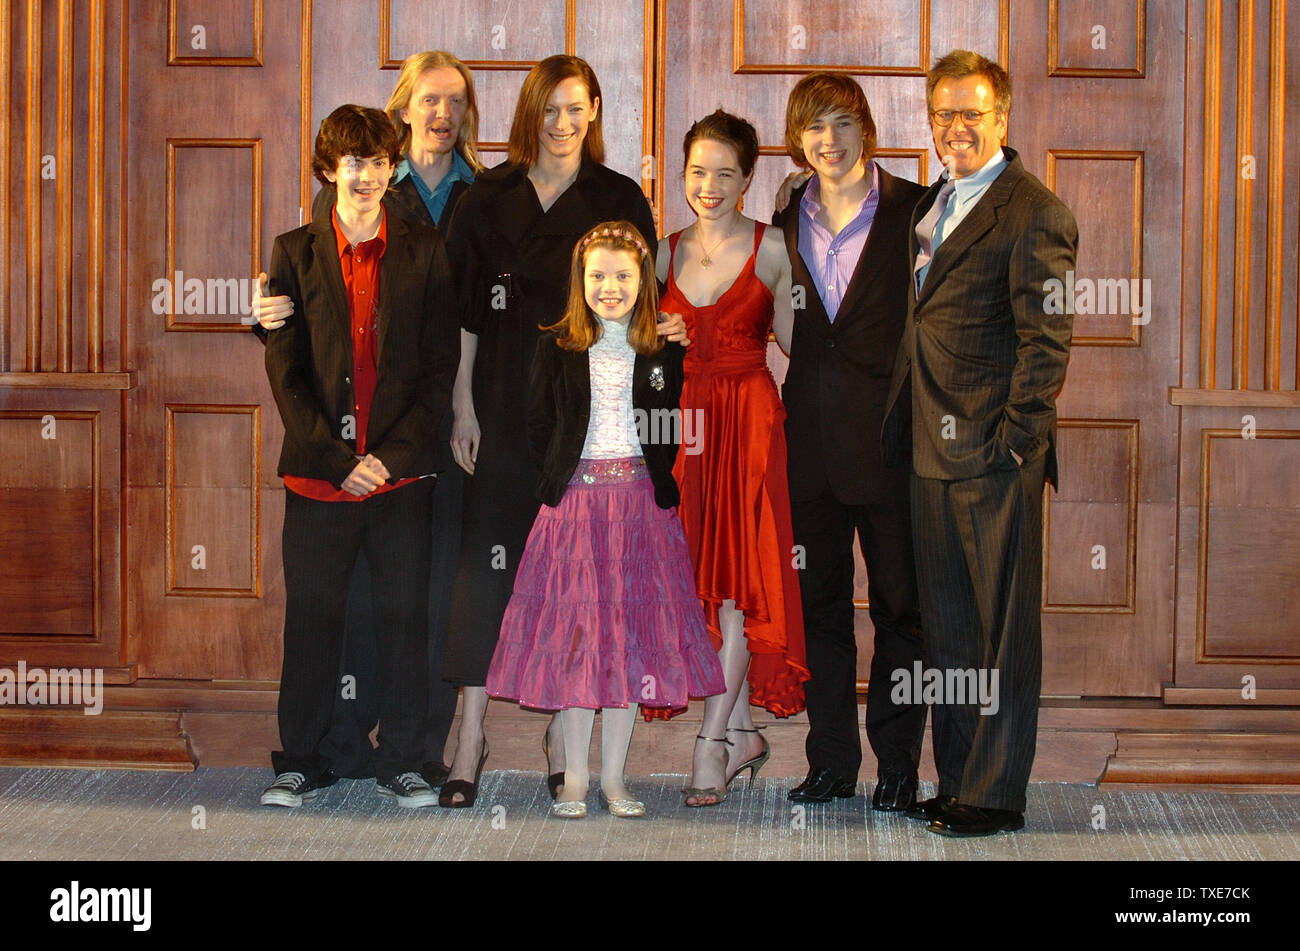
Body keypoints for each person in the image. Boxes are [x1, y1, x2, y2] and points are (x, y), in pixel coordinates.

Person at [252, 51, 483, 788]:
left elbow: (438, 366)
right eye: (351, 162)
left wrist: (389, 455)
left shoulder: (424, 253)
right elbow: (286, 374)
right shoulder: (293, 252)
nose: (364, 175)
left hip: (400, 474)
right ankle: (305, 760)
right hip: (318, 479)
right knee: (315, 625)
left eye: (378, 161)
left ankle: (408, 758)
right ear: (328, 169)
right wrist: (334, 459)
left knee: (406, 623)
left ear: (392, 168)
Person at [439, 55, 665, 807]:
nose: (562, 124)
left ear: (595, 110)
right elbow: (467, 314)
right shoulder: (487, 196)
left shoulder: (620, 196)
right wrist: (463, 405)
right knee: (486, 566)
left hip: (583, 421)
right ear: (530, 113)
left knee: (580, 584)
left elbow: (642, 314)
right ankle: (469, 735)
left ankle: (560, 741)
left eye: (576, 108)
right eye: (549, 110)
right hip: (502, 404)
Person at [882, 50, 1077, 836]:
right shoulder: (936, 201)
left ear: (1002, 118)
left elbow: (1047, 344)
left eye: (972, 113)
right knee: (952, 633)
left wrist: (1014, 447)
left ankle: (995, 794)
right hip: (929, 453)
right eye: (943, 114)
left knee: (1000, 635)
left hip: (994, 459)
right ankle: (959, 777)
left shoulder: (1036, 212)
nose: (955, 127)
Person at [486, 222, 724, 818]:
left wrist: (653, 476)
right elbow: (539, 424)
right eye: (597, 276)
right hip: (576, 510)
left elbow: (668, 422)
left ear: (644, 281)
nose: (609, 287)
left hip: (641, 509)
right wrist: (563, 479)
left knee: (627, 646)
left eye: (623, 275)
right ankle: (573, 778)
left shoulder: (662, 347)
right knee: (577, 646)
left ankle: (615, 779)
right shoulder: (557, 344)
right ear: (580, 281)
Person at [772, 73, 928, 810]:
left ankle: (896, 765)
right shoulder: (782, 215)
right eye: (812, 127)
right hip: (806, 445)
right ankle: (831, 760)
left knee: (902, 608)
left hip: (893, 444)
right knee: (818, 608)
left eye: (839, 124)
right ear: (797, 140)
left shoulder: (916, 211)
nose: (827, 141)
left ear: (866, 127)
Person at [654, 110, 809, 807]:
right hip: (686, 430)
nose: (709, 185)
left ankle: (711, 743)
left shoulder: (773, 247)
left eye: (725, 172)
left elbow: (800, 348)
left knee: (743, 581)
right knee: (704, 580)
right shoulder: (661, 253)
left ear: (748, 178)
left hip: (749, 428)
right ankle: (742, 731)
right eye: (697, 171)